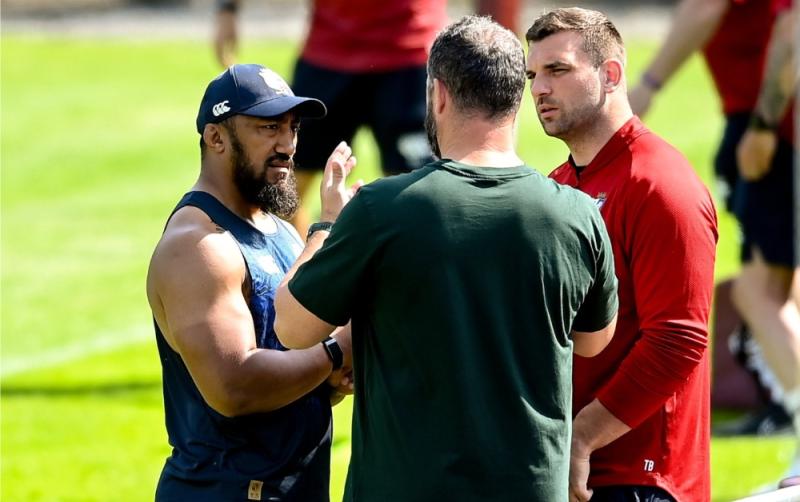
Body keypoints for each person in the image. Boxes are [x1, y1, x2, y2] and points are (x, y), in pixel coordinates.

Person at [272, 15, 619, 500]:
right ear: (516, 97)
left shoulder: (380, 210)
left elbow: (291, 327)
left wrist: (327, 225)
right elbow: (593, 341)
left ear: (437, 95)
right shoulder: (577, 213)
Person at [526, 7, 719, 501]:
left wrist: (582, 438)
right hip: (579, 471)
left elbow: (677, 341)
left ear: (610, 74)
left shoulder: (661, 185)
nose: (539, 89)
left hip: (644, 480)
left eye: (558, 70)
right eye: (533, 75)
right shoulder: (559, 184)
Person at [146, 63, 353, 501]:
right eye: (268, 128)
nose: (288, 145)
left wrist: (332, 380)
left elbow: (292, 379)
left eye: (292, 128)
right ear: (216, 137)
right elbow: (235, 387)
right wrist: (337, 351)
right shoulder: (198, 245)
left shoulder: (277, 229)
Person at [628, 0, 799, 442]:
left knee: (759, 294)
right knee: (776, 286)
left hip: (778, 124)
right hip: (773, 118)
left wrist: (647, 85)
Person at [213, 0, 521, 237]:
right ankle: (306, 280)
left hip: (410, 51)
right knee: (278, 185)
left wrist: (501, 35)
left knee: (424, 200)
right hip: (328, 49)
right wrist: (227, 9)